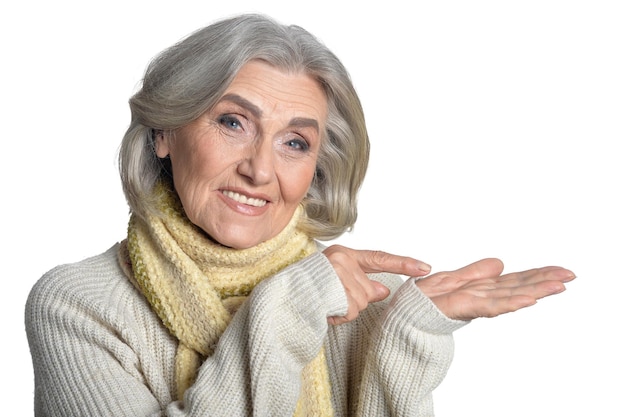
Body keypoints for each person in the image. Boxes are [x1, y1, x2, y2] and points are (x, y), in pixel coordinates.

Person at [25, 13, 575, 417]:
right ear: (165, 131)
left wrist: (405, 338)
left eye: (294, 142)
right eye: (233, 123)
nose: (261, 171)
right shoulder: (78, 304)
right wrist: (289, 307)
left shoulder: (365, 296)